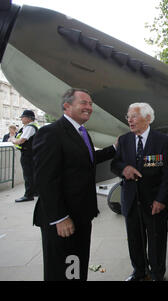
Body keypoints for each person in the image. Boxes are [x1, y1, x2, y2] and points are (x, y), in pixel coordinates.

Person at [32, 88, 116, 281]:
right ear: (67, 106)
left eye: (90, 104)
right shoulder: (51, 133)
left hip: (81, 216)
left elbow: (87, 159)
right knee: (61, 272)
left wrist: (114, 149)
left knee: (76, 268)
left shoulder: (81, 132)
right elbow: (45, 180)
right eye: (84, 103)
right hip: (63, 220)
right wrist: (60, 217)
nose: (89, 107)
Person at [111, 103, 168, 281]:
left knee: (156, 241)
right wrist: (124, 169)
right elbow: (114, 164)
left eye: (134, 116)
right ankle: (139, 272)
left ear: (147, 118)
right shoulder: (124, 140)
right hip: (131, 201)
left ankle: (157, 273)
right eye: (128, 116)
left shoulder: (163, 141)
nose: (130, 120)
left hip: (154, 203)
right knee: (135, 240)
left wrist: (161, 199)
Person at [11, 110, 39, 202]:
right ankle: (35, 192)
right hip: (32, 153)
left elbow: (22, 140)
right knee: (32, 173)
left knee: (28, 174)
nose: (21, 119)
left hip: (27, 154)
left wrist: (13, 140)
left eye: (23, 117)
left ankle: (28, 195)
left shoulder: (29, 127)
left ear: (28, 118)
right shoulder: (33, 126)